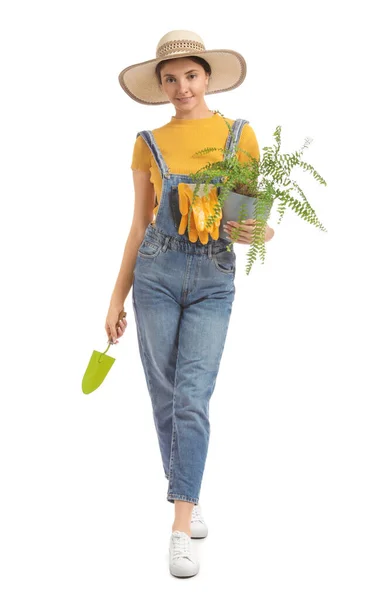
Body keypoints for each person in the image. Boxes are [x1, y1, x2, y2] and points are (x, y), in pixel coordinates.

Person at [105, 30, 275, 578]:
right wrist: (115, 297)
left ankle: (179, 527)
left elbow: (246, 216)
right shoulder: (146, 141)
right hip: (155, 272)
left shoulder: (239, 136)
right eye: (171, 79)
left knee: (193, 394)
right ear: (160, 86)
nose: (183, 87)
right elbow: (137, 226)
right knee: (164, 394)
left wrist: (260, 232)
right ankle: (190, 496)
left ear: (207, 77)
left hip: (213, 277)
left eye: (192, 76)